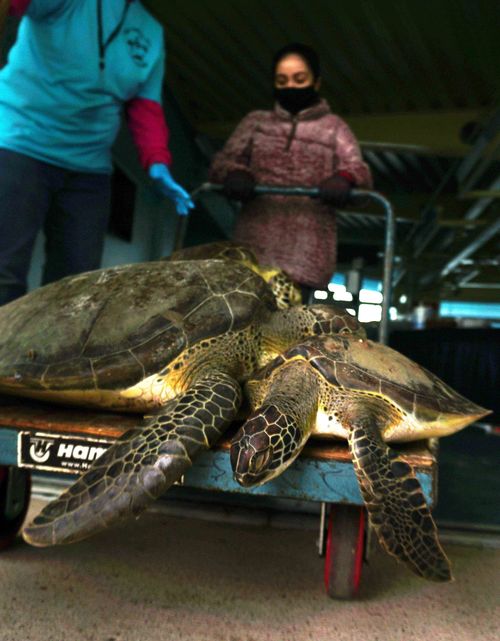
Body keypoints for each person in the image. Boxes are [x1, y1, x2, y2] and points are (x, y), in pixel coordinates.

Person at [0, 0, 194, 305]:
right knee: (4, 269)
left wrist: (157, 161)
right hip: (19, 143)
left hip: (89, 169)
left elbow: (146, 106)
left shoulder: (152, 32)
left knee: (75, 287)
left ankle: (59, 354)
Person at [209, 42, 372, 303]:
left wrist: (345, 179)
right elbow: (223, 162)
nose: (291, 87)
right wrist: (234, 173)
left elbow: (357, 168)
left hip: (306, 252)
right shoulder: (256, 122)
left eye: (300, 79)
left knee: (290, 329)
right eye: (282, 80)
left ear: (316, 82)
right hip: (252, 248)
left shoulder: (334, 128)